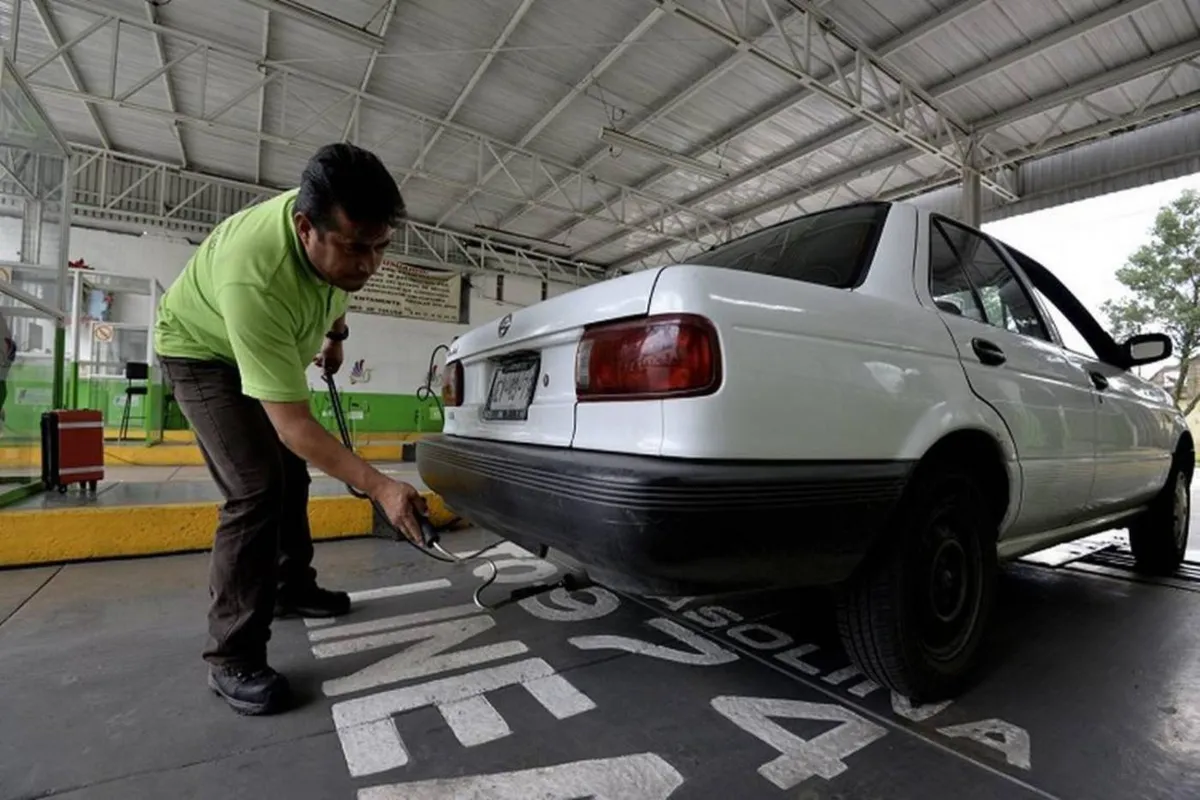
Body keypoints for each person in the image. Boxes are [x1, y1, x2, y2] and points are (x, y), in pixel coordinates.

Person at [154, 142, 428, 716]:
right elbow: (295, 425)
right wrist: (381, 486)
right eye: (357, 248)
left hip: (247, 343)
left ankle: (289, 588)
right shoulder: (256, 278)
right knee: (256, 486)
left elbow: (336, 289)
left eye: (381, 248)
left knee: (292, 477)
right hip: (202, 353)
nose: (369, 265)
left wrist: (335, 338)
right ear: (306, 228)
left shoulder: (334, 241)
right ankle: (231, 656)